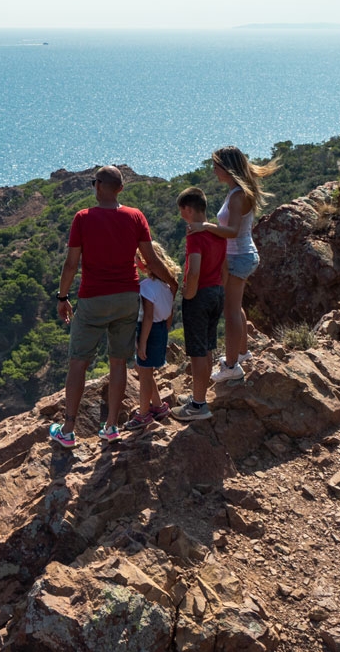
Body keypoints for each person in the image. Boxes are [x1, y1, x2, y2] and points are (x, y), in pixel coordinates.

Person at [51, 166, 177, 449]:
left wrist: (62, 297)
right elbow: (152, 260)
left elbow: (71, 264)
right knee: (118, 362)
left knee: (78, 362)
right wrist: (172, 284)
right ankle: (111, 427)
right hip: (126, 299)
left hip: (93, 298)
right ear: (120, 189)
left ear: (97, 187)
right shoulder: (135, 217)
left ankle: (68, 430)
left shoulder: (82, 218)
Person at [186, 146, 277, 384]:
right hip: (239, 256)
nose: (213, 170)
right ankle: (243, 353)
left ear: (227, 168)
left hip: (239, 257)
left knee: (231, 311)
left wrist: (204, 227)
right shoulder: (236, 191)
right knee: (236, 308)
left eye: (216, 166)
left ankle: (231, 365)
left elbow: (233, 231)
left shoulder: (238, 196)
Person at [172, 187, 226, 421]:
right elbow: (224, 265)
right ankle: (199, 395)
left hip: (200, 295)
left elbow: (194, 268)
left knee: (196, 352)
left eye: (181, 210)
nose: (181, 214)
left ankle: (198, 405)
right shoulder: (218, 232)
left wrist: (188, 294)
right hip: (217, 291)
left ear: (187, 209)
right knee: (207, 348)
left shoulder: (194, 234)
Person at [124, 241, 179, 431]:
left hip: (150, 330)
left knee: (144, 372)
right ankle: (158, 405)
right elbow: (169, 311)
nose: (136, 262)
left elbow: (147, 316)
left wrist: (142, 343)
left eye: (138, 259)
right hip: (161, 328)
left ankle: (143, 414)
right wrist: (166, 328)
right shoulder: (167, 284)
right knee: (145, 370)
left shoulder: (146, 286)